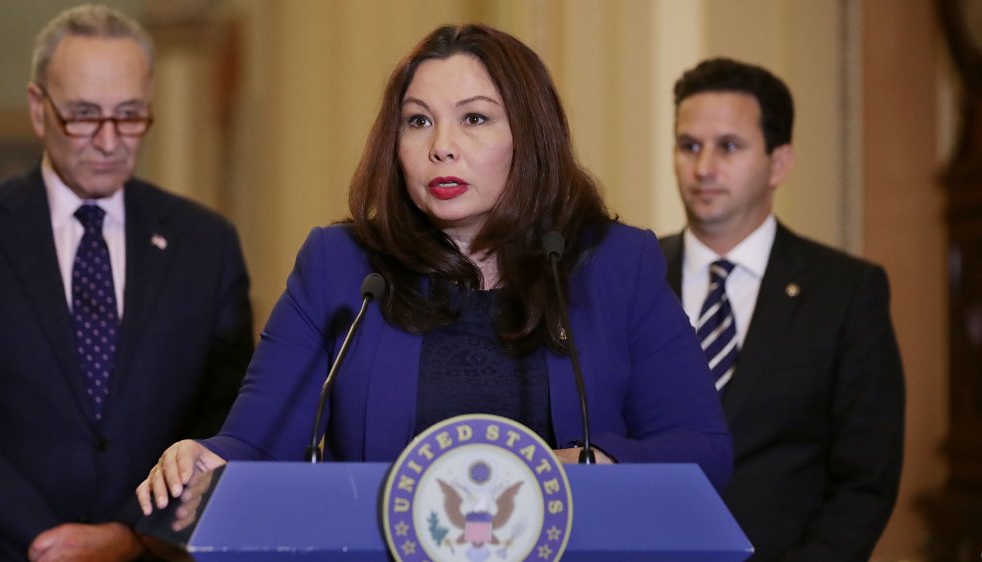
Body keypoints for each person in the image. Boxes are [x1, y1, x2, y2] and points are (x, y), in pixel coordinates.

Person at [137, 23, 733, 516]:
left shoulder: (614, 263)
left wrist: (593, 464)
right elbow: (256, 446)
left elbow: (703, 451)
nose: (440, 146)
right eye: (418, 121)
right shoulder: (342, 267)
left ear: (530, 137)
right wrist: (204, 460)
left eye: (474, 119)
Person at [0, 5, 254, 560]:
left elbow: (226, 420)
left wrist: (131, 537)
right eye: (83, 115)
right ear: (39, 109)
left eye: (129, 115)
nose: (109, 141)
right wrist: (40, 538)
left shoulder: (206, 244)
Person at [660, 57, 905, 561]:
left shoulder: (847, 291)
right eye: (689, 146)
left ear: (779, 163)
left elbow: (867, 476)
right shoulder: (629, 276)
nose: (704, 167)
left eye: (728, 146)